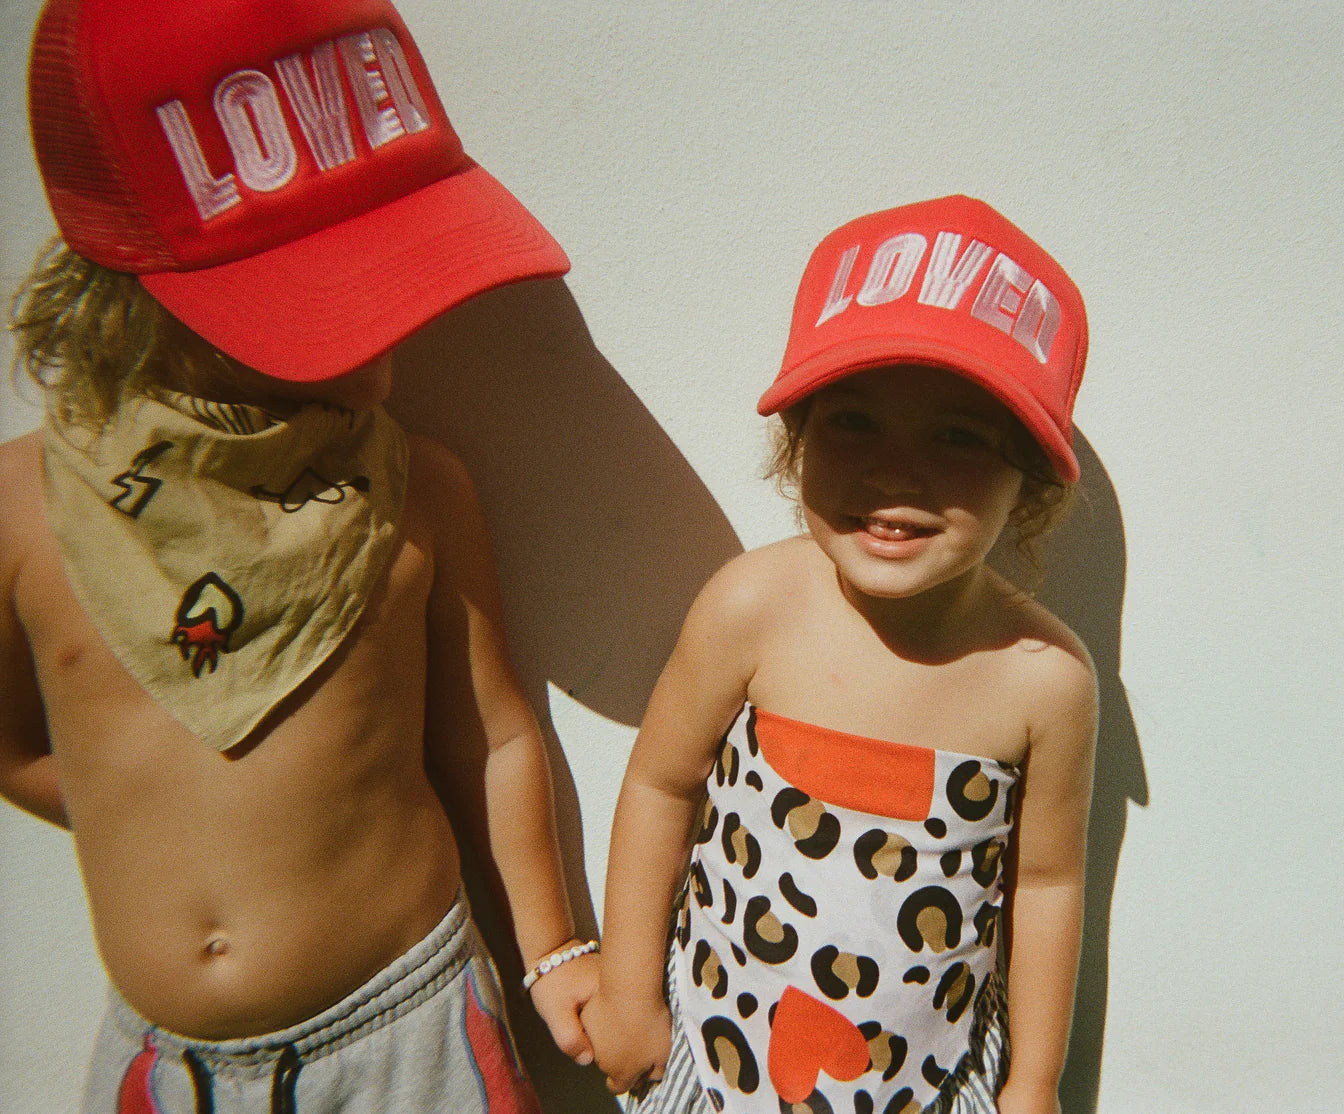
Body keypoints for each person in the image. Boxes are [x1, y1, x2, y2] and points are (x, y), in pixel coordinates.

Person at [0, 0, 598, 1109]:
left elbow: (493, 734)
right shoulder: (26, 507)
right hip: (163, 1067)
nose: (387, 324)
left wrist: (554, 948)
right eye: (326, 281)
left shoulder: (419, 488)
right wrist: (173, 816)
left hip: (409, 1037)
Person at [583, 195, 1099, 1114]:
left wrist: (1034, 1082)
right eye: (853, 421)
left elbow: (1049, 883)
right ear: (797, 441)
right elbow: (661, 785)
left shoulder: (1044, 681)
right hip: (716, 1050)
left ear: (1027, 480)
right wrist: (628, 995)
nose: (896, 469)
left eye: (957, 435)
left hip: (930, 1081)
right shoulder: (752, 605)